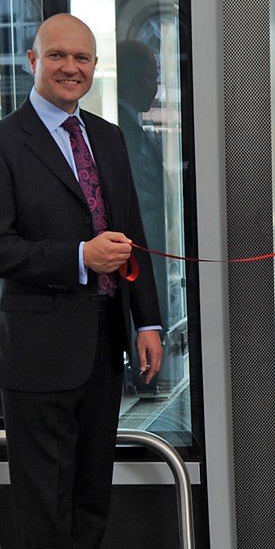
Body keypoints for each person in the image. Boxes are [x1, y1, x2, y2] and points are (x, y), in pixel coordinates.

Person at [0, 13, 164, 549]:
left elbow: (131, 233)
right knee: (44, 500)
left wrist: (148, 321)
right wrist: (78, 256)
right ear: (31, 59)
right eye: (58, 55)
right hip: (38, 354)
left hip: (104, 345)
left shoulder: (104, 138)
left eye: (82, 57)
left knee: (88, 488)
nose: (71, 66)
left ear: (94, 64)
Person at [117, 39, 168, 392]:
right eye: (152, 76)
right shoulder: (120, 135)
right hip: (137, 260)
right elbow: (142, 208)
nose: (156, 86)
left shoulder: (131, 129)